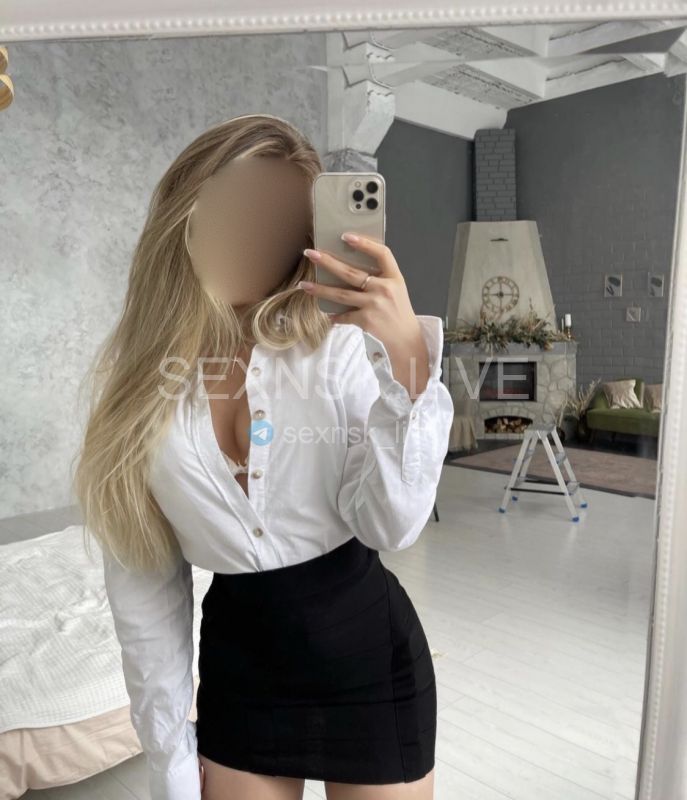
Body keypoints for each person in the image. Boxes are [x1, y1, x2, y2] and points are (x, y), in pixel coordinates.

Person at [73, 113, 454, 800]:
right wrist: (168, 757)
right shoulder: (135, 392)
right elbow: (143, 589)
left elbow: (392, 525)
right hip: (240, 682)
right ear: (185, 216)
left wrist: (406, 364)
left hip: (372, 667)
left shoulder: (339, 349)